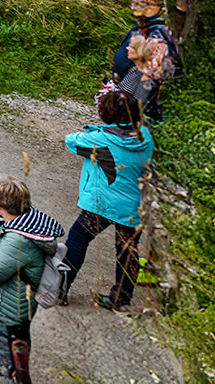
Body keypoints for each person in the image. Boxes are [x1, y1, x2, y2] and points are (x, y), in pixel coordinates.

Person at [61, 87, 154, 310]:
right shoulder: (146, 138)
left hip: (101, 205)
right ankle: (121, 299)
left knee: (77, 239)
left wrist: (98, 130)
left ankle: (59, 288)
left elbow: (72, 141)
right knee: (127, 251)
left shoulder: (99, 140)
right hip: (133, 207)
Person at [0, 174, 65, 384]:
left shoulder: (19, 239)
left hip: (9, 310)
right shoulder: (19, 218)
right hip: (7, 302)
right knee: (11, 352)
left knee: (1, 361)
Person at [111, 0, 179, 120]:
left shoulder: (158, 34)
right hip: (122, 89)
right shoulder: (140, 27)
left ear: (158, 8)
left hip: (136, 104)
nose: (137, 7)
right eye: (136, 3)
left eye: (145, 4)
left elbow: (153, 77)